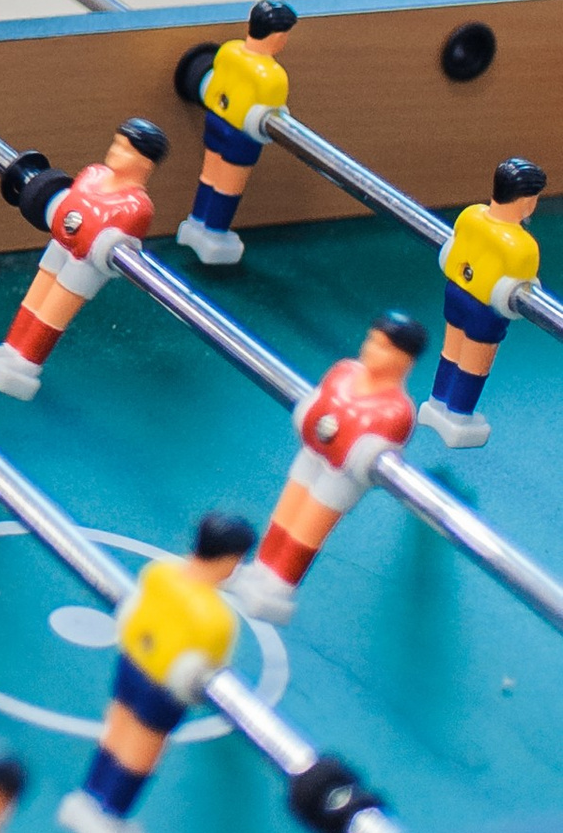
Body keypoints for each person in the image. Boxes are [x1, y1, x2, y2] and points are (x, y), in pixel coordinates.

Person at [59, 511, 253, 833]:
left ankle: (88, 797)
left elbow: (135, 615)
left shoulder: (160, 572)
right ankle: (110, 814)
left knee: (116, 729)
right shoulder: (215, 619)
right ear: (229, 560)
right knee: (142, 748)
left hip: (131, 665)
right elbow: (209, 670)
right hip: (164, 687)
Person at [228, 313, 423, 627]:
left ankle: (280, 585)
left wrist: (355, 451)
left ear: (405, 360)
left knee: (309, 526)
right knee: (286, 511)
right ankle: (261, 567)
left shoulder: (397, 410)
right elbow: (315, 404)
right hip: (312, 453)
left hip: (341, 475)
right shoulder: (344, 372)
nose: (371, 349)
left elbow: (369, 452)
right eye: (371, 340)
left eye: (383, 346)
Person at [0, 119, 167, 401]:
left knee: (52, 312)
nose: (114, 151)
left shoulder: (137, 207)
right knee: (33, 300)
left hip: (84, 265)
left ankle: (26, 363)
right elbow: (68, 207)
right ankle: (9, 348)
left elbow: (106, 237)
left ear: (146, 163)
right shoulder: (92, 174)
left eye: (126, 149)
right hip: (60, 245)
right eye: (116, 144)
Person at [421, 161, 547, 447]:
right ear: (527, 201)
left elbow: (450, 255)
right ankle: (459, 416)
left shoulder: (470, 215)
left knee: (451, 351)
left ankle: (437, 402)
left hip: (455, 293)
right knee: (474, 365)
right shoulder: (522, 246)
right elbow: (519, 290)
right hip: (485, 309)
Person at [178, 2, 296, 265]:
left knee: (208, 176)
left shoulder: (229, 50)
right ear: (278, 36)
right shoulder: (273, 76)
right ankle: (214, 234)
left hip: (215, 122)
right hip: (241, 136)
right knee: (228, 188)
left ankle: (196, 223)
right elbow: (273, 115)